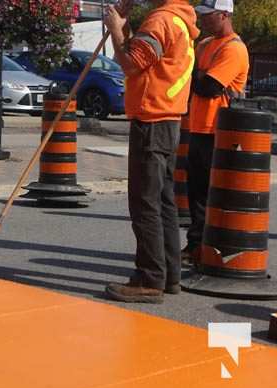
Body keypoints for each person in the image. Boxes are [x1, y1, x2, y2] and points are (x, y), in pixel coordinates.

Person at [104, 0, 199, 303]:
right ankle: (169, 275)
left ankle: (149, 279)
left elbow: (131, 62)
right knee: (163, 202)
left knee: (145, 202)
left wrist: (115, 30)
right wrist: (127, 28)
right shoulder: (180, 21)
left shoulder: (161, 21)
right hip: (169, 119)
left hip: (152, 118)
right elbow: (146, 58)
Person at [182, 0, 249, 264]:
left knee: (213, 194)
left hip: (220, 132)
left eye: (209, 16)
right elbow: (191, 79)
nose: (204, 20)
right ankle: (196, 246)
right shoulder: (205, 45)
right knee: (196, 192)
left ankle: (214, 249)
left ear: (224, 15)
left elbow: (208, 87)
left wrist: (193, 75)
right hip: (199, 128)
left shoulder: (234, 49)